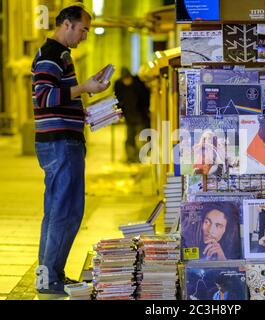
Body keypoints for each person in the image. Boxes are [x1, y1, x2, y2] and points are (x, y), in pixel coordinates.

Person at [32, 3, 110, 295]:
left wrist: (85, 107)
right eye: (83, 29)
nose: (84, 36)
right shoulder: (51, 55)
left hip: (63, 140)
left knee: (58, 211)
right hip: (61, 144)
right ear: (67, 24)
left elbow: (58, 98)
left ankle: (50, 275)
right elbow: (44, 97)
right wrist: (84, 87)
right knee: (64, 212)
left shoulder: (59, 55)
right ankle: (50, 278)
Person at [114, 67, 150, 163]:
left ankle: (142, 158)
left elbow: (145, 98)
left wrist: (146, 111)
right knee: (130, 139)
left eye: (128, 79)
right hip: (129, 117)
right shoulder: (118, 85)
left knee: (142, 137)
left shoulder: (138, 84)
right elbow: (117, 99)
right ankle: (131, 158)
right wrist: (119, 112)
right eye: (125, 79)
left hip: (140, 116)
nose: (127, 81)